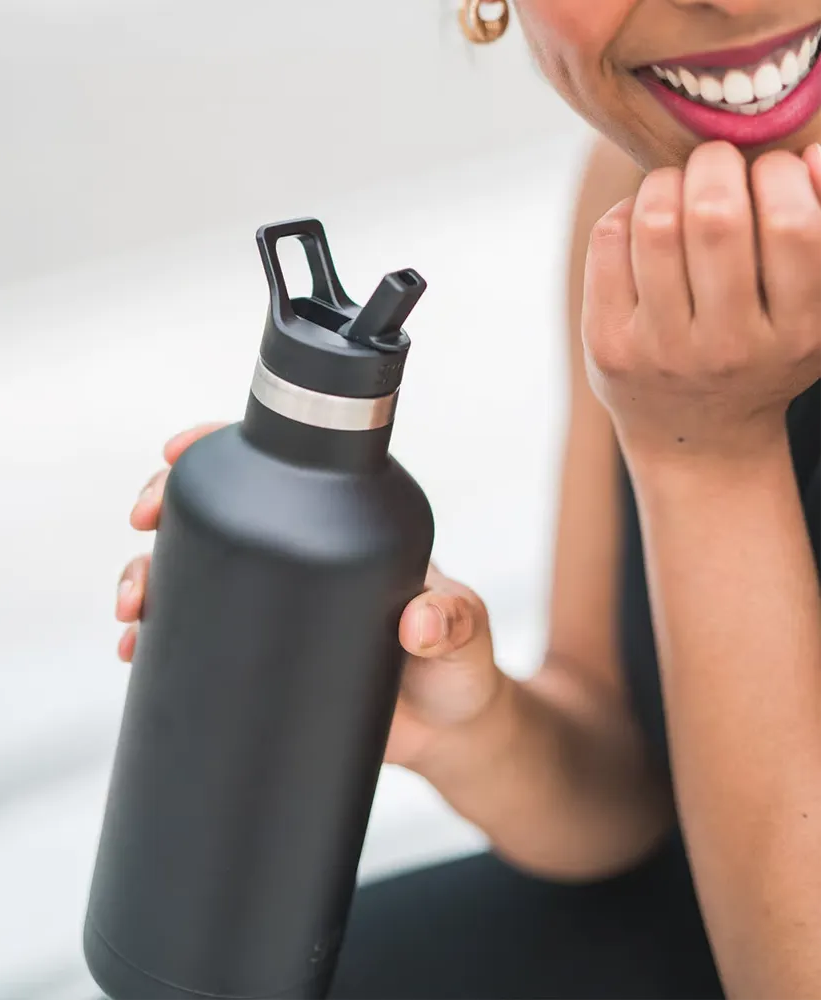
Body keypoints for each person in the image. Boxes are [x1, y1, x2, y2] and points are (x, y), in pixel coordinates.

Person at [113, 1, 821, 996]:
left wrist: (706, 453)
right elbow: (629, 790)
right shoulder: (643, 190)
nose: (736, 2)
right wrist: (457, 719)